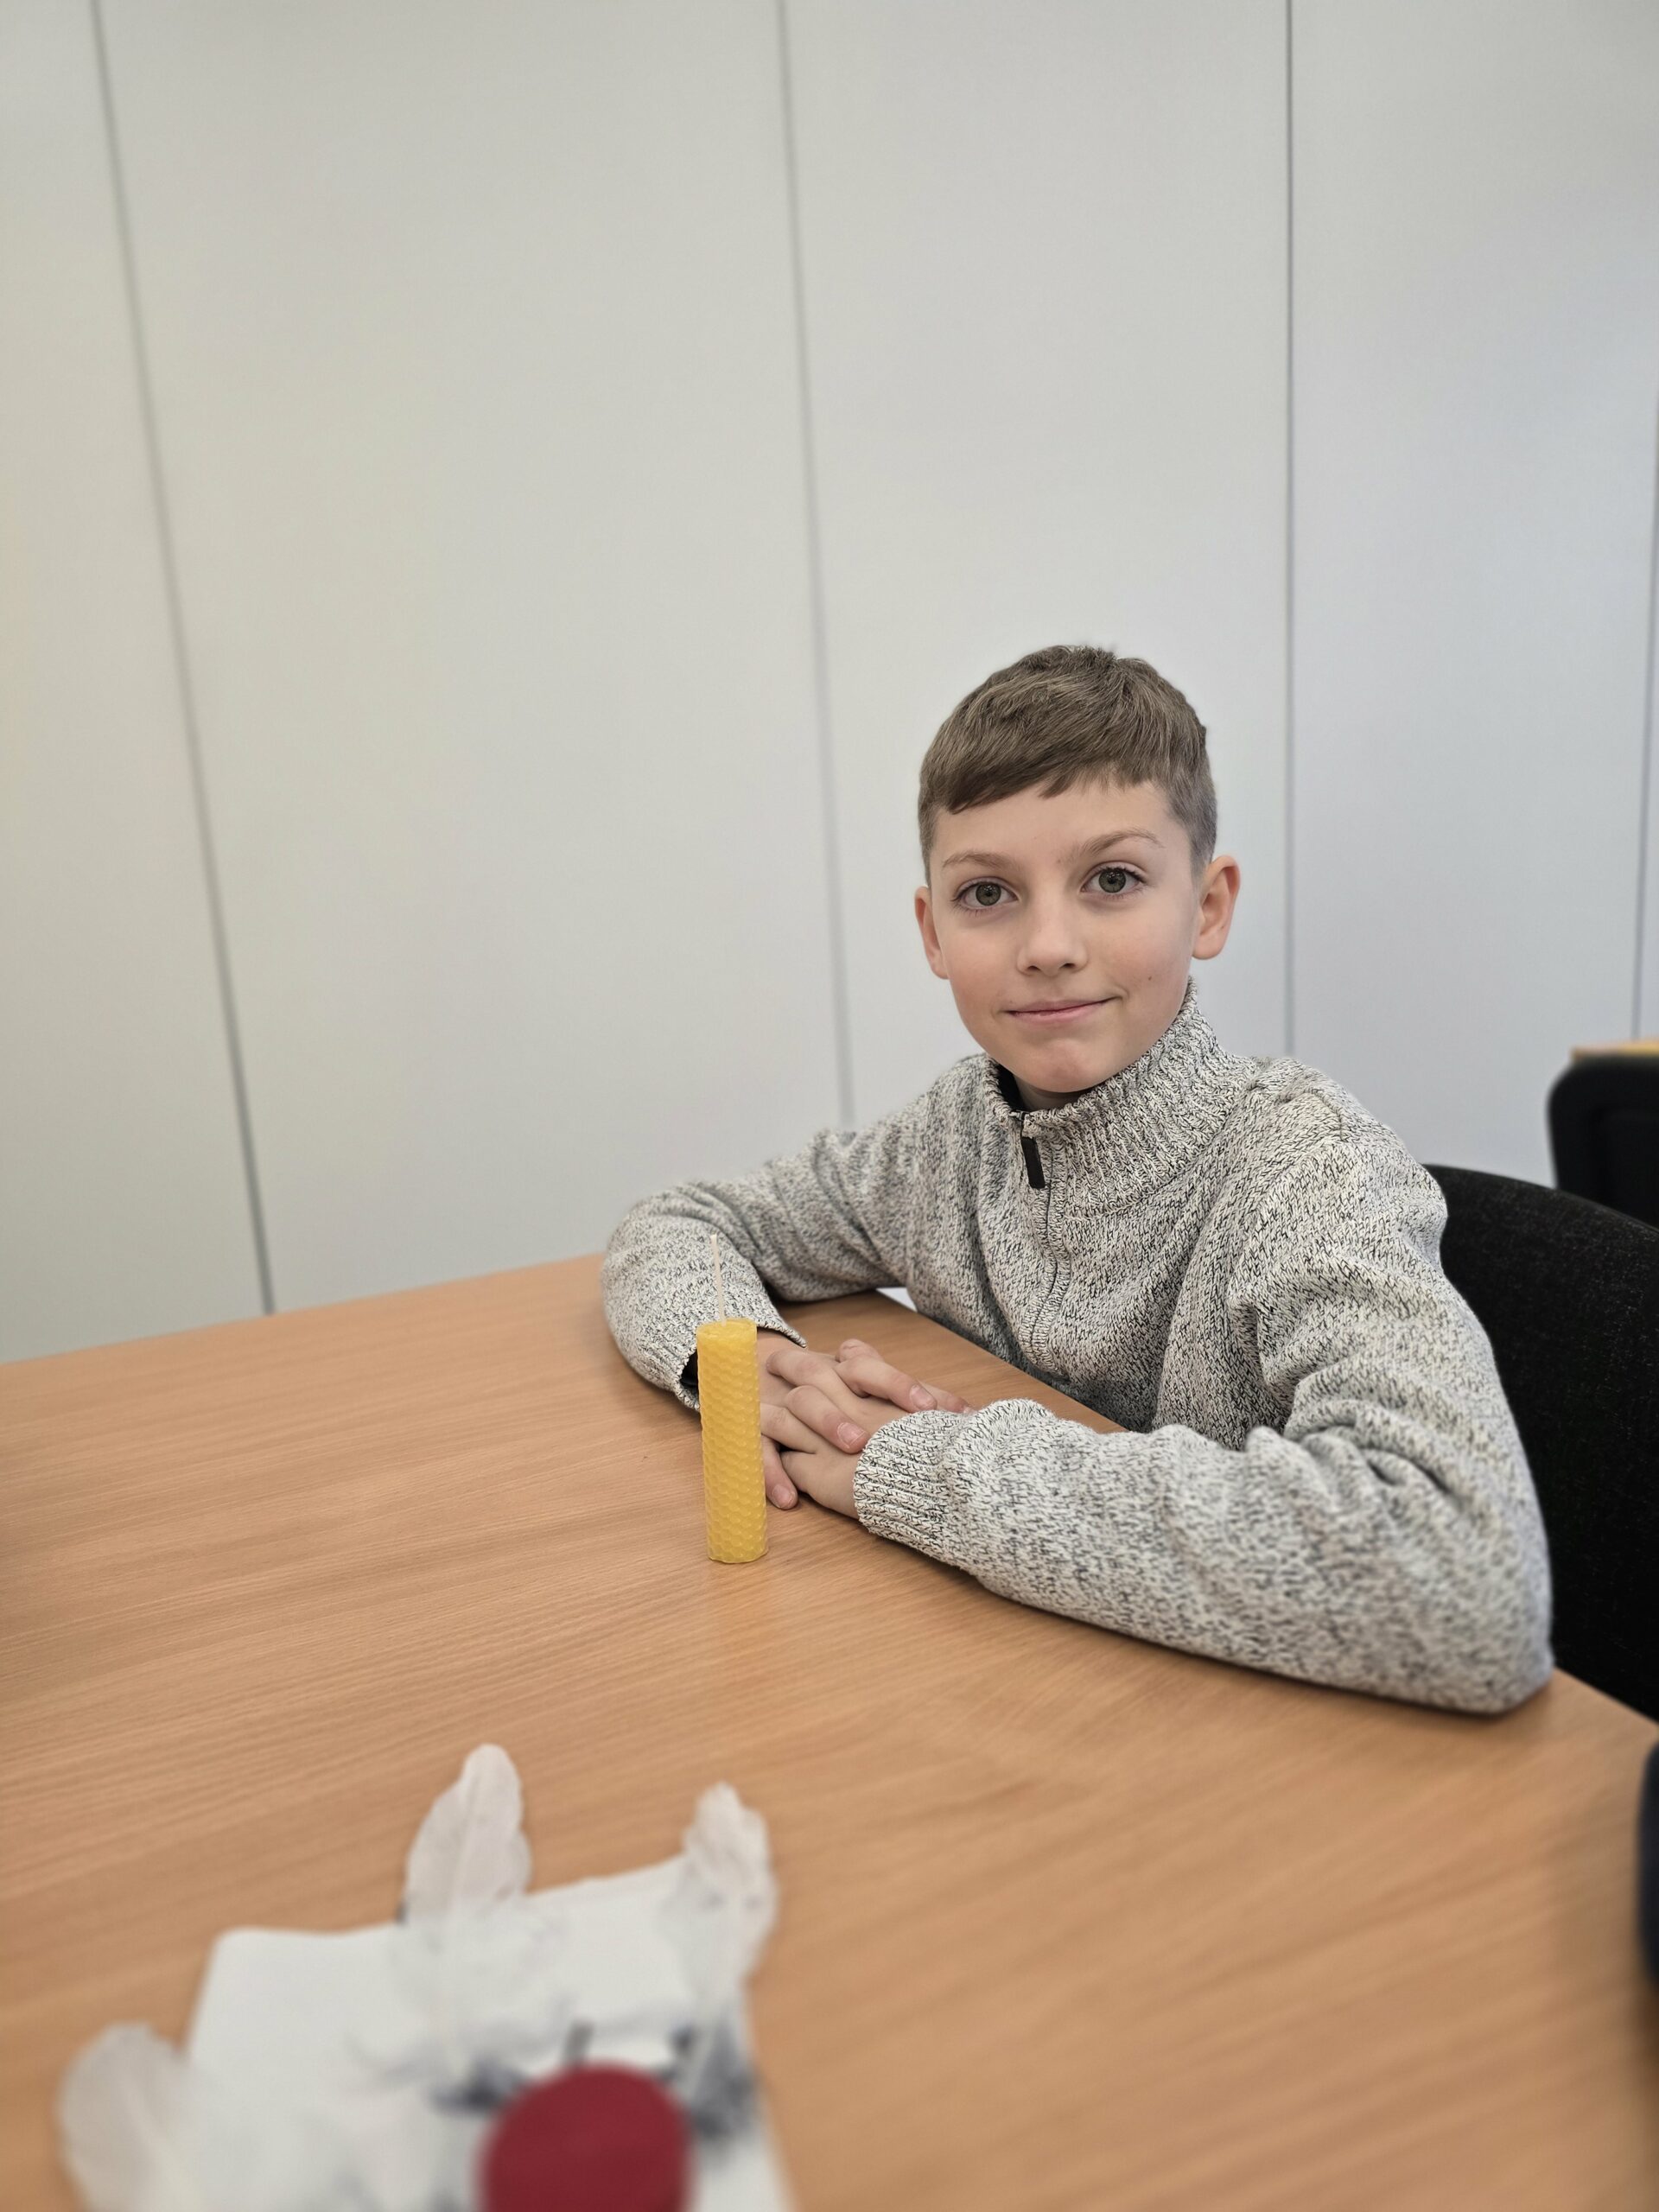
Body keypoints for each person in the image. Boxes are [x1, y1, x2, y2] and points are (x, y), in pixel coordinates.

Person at [601, 645, 1551, 1713]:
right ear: (931, 930)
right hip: (1004, 1695)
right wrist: (742, 1362)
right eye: (988, 893)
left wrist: (920, 1468)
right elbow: (680, 1220)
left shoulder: (1306, 1168)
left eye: (1112, 880)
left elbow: (1467, 1582)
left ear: (1207, 906)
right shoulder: (948, 1140)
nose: (1048, 945)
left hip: (1234, 1740)